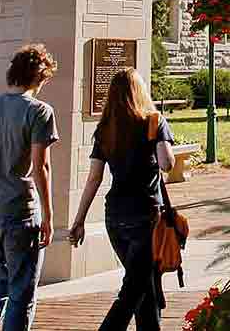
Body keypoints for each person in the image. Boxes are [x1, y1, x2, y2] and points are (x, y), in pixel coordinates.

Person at [67, 68, 175, 331]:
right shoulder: (153, 121)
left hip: (114, 216)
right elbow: (167, 163)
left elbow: (94, 178)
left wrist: (79, 220)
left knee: (144, 286)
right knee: (133, 290)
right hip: (146, 214)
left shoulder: (105, 129)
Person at [0, 43, 61, 331]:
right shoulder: (40, 111)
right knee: (22, 293)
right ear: (40, 76)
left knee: (1, 285)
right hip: (20, 211)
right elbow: (40, 166)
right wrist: (49, 214)